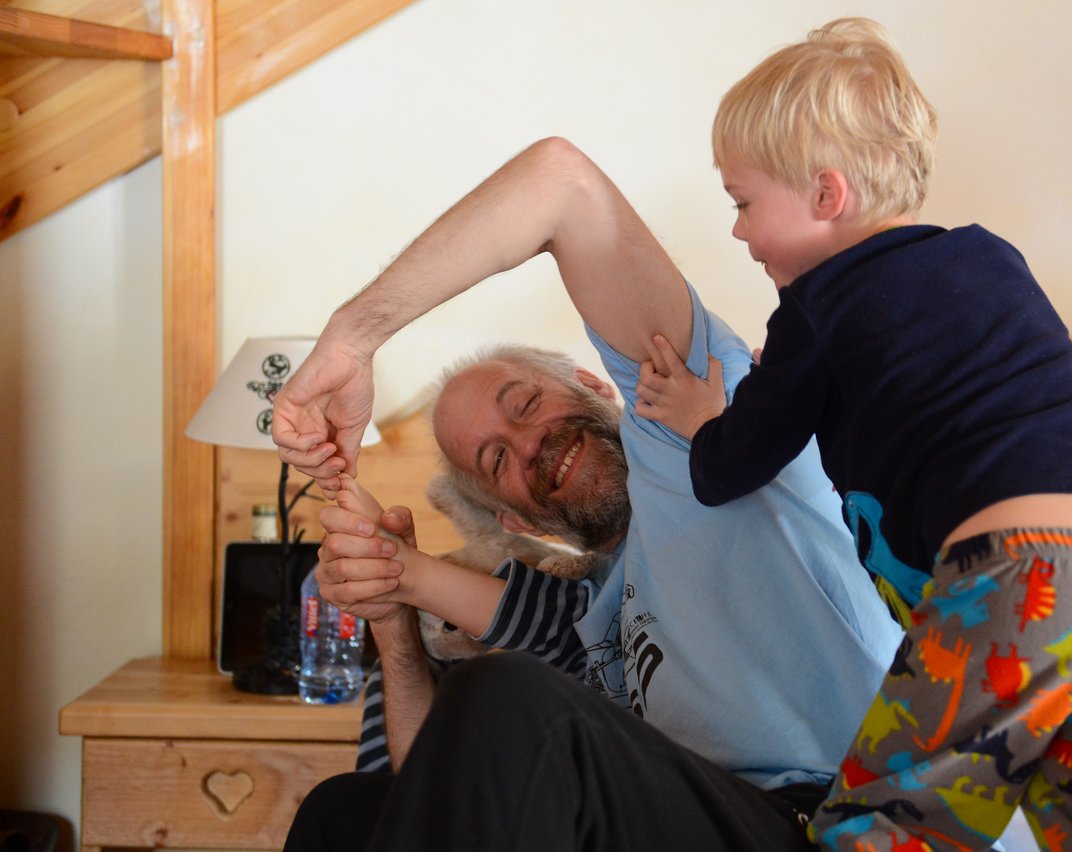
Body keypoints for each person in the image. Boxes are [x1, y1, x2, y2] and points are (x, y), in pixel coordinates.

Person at [632, 16, 1072, 851]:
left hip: (1028, 572)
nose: (738, 231)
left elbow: (728, 468)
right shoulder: (991, 257)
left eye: (743, 202)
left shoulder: (816, 308)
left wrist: (700, 413)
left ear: (827, 197)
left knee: (887, 828)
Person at [274, 136, 905, 850]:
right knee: (344, 812)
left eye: (524, 403)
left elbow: (561, 184)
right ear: (514, 515)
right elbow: (440, 795)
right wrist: (391, 609)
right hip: (681, 818)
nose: (530, 444)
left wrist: (353, 339)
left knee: (510, 699)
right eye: (496, 460)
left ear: (597, 384)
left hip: (832, 816)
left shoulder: (707, 429)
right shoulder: (587, 608)